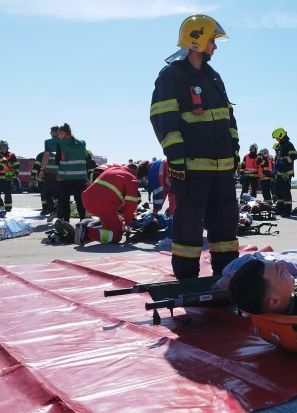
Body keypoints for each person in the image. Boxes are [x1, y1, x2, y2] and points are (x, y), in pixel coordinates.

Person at [149, 14, 240, 279]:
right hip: (191, 168)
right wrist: (176, 157)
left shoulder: (213, 77)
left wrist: (233, 148)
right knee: (188, 224)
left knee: (226, 224)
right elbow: (163, 118)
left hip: (222, 169)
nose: (215, 46)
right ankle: (187, 279)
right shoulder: (172, 76)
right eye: (212, 40)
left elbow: (228, 118)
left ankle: (226, 275)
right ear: (196, 41)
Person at [61, 163, 140, 246]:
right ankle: (87, 232)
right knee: (116, 235)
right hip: (103, 205)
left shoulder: (113, 169)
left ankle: (82, 229)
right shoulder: (131, 179)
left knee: (108, 223)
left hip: (87, 199)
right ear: (134, 171)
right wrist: (127, 223)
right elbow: (130, 204)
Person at [54, 123, 87, 223]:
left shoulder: (60, 144)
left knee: (65, 201)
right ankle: (83, 222)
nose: (59, 137)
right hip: (81, 177)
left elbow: (56, 161)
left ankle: (66, 222)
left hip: (65, 177)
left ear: (62, 133)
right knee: (80, 201)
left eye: (59, 134)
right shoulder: (82, 143)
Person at [140, 158, 176, 246]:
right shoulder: (157, 165)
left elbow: (159, 194)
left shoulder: (153, 172)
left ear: (145, 174)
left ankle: (171, 238)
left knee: (173, 213)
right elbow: (163, 191)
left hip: (178, 186)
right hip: (183, 181)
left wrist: (154, 212)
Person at [272, 127, 297, 217]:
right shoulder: (280, 145)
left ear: (281, 136)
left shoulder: (288, 145)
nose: (277, 140)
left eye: (277, 138)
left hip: (286, 173)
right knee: (278, 192)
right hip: (279, 172)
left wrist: (284, 162)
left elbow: (294, 156)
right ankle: (280, 209)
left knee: (285, 192)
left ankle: (287, 211)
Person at [38, 125, 60, 220]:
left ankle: (54, 211)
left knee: (47, 193)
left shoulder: (48, 142)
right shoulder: (63, 141)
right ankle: (60, 212)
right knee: (58, 194)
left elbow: (46, 155)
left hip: (50, 173)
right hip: (61, 173)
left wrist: (42, 169)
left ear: (52, 132)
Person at [0, 140, 19, 212]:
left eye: (4, 146)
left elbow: (16, 164)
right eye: (2, 146)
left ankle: (8, 207)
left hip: (9, 174)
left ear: (7, 147)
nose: (3, 147)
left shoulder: (12, 155)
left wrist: (16, 172)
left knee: (8, 192)